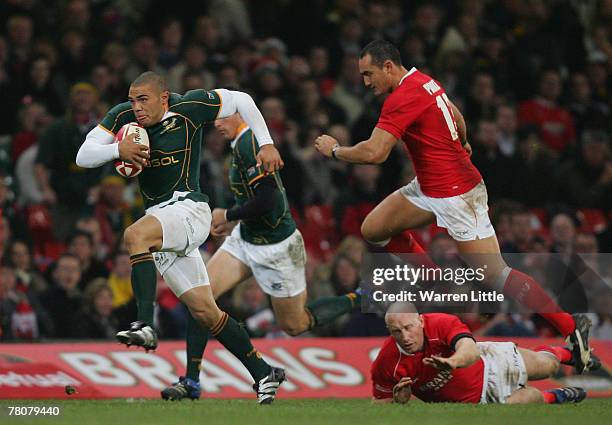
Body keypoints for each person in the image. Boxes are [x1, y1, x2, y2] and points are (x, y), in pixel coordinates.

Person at [313, 40, 592, 373]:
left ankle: (571, 326)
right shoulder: (422, 79)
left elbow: (375, 153)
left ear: (388, 67)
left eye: (369, 74)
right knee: (374, 228)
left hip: (459, 195)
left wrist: (335, 150)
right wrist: (463, 141)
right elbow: (456, 115)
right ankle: (431, 276)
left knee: (496, 273)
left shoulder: (402, 97)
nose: (366, 82)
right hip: (430, 186)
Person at [76, 71, 285, 404]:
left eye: (143, 99)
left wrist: (267, 142)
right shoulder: (123, 117)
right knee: (205, 312)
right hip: (162, 220)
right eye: (132, 99)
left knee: (134, 236)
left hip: (189, 209)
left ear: (163, 97)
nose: (136, 107)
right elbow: (83, 155)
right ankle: (264, 373)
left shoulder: (190, 106)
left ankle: (145, 323)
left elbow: (242, 99)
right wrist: (118, 149)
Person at [161, 113, 360, 400]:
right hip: (246, 238)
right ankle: (191, 382)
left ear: (240, 115)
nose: (216, 124)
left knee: (296, 324)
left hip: (279, 249)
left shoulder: (250, 146)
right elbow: (253, 197)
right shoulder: (241, 144)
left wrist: (228, 214)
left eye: (221, 117)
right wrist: (233, 218)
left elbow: (270, 200)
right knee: (200, 300)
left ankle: (361, 296)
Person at [371, 305, 599, 404]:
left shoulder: (440, 323)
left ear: (420, 320)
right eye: (396, 332)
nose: (405, 336)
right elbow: (379, 403)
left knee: (547, 367)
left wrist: (452, 362)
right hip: (476, 402)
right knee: (529, 400)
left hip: (488, 361)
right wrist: (397, 402)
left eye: (408, 327)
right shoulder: (385, 362)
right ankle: (557, 396)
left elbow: (469, 349)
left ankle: (570, 355)